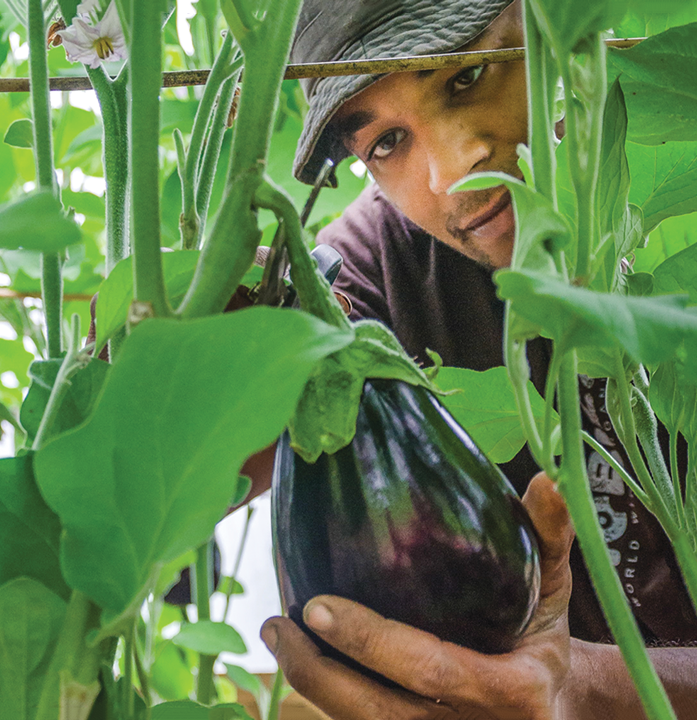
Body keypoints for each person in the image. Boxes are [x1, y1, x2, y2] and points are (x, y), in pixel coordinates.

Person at [250, 1, 697, 717]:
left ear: (550, 24)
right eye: (388, 141)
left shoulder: (682, 143)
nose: (454, 170)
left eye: (470, 76)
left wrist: (580, 689)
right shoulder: (373, 270)